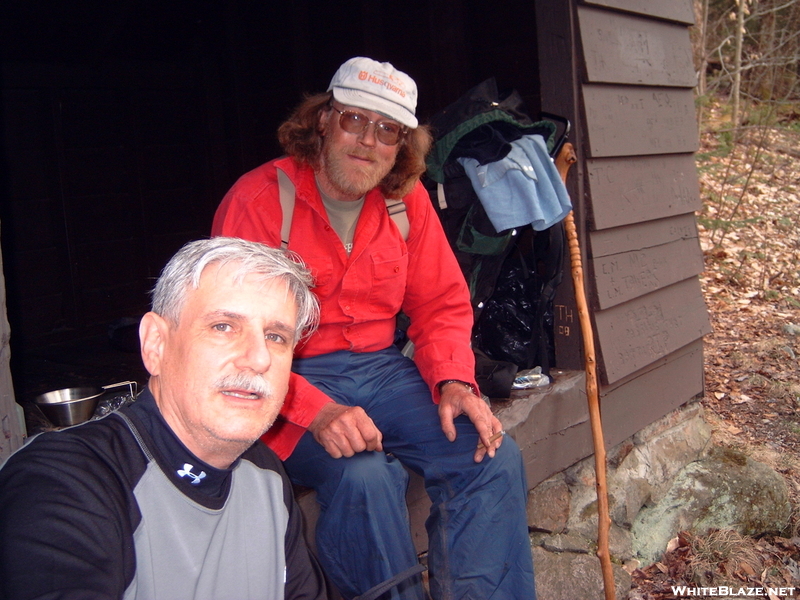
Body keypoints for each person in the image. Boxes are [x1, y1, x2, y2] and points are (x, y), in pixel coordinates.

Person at [213, 57, 537, 600]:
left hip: (382, 371)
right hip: (284, 379)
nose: (367, 141)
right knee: (364, 476)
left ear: (401, 144)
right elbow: (230, 336)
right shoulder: (259, 201)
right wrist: (315, 412)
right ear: (323, 121)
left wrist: (454, 381)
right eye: (353, 120)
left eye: (387, 130)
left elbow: (440, 303)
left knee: (490, 455)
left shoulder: (403, 201)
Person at [0, 237, 329, 600]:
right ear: (155, 344)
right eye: (223, 326)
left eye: (275, 336)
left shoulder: (264, 474)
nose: (259, 358)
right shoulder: (61, 482)